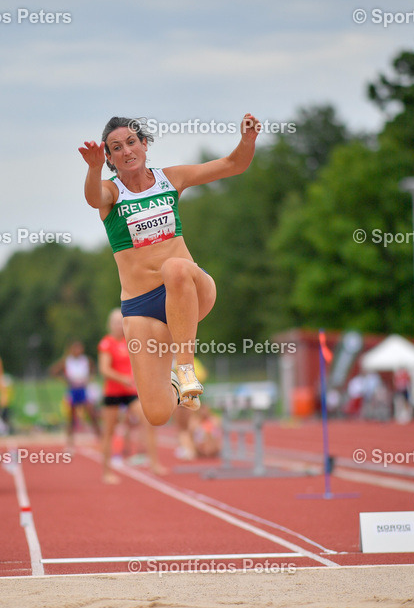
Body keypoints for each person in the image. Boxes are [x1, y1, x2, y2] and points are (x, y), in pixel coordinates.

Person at [79, 113, 260, 426]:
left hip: (188, 287)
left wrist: (247, 142)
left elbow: (233, 165)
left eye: (132, 142)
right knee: (158, 413)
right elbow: (94, 198)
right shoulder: (112, 192)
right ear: (109, 157)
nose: (127, 151)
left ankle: (185, 370)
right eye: (117, 147)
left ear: (145, 144)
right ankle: (178, 390)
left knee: (174, 266)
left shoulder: (171, 178)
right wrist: (94, 169)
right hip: (142, 309)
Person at [98, 308, 163, 483]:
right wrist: (122, 379)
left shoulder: (132, 342)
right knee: (109, 432)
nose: (119, 326)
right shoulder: (107, 343)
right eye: (116, 323)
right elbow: (104, 369)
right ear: (110, 325)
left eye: (121, 322)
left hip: (130, 392)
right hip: (113, 392)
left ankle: (155, 463)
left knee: (149, 421)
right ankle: (106, 472)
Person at [51, 341, 101, 450]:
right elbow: (54, 371)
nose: (78, 351)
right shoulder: (66, 361)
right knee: (71, 416)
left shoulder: (86, 360)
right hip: (73, 389)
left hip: (83, 389)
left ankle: (99, 437)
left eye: (80, 349)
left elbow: (94, 370)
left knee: (91, 413)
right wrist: (65, 380)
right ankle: (70, 441)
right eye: (76, 349)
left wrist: (89, 379)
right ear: (71, 350)